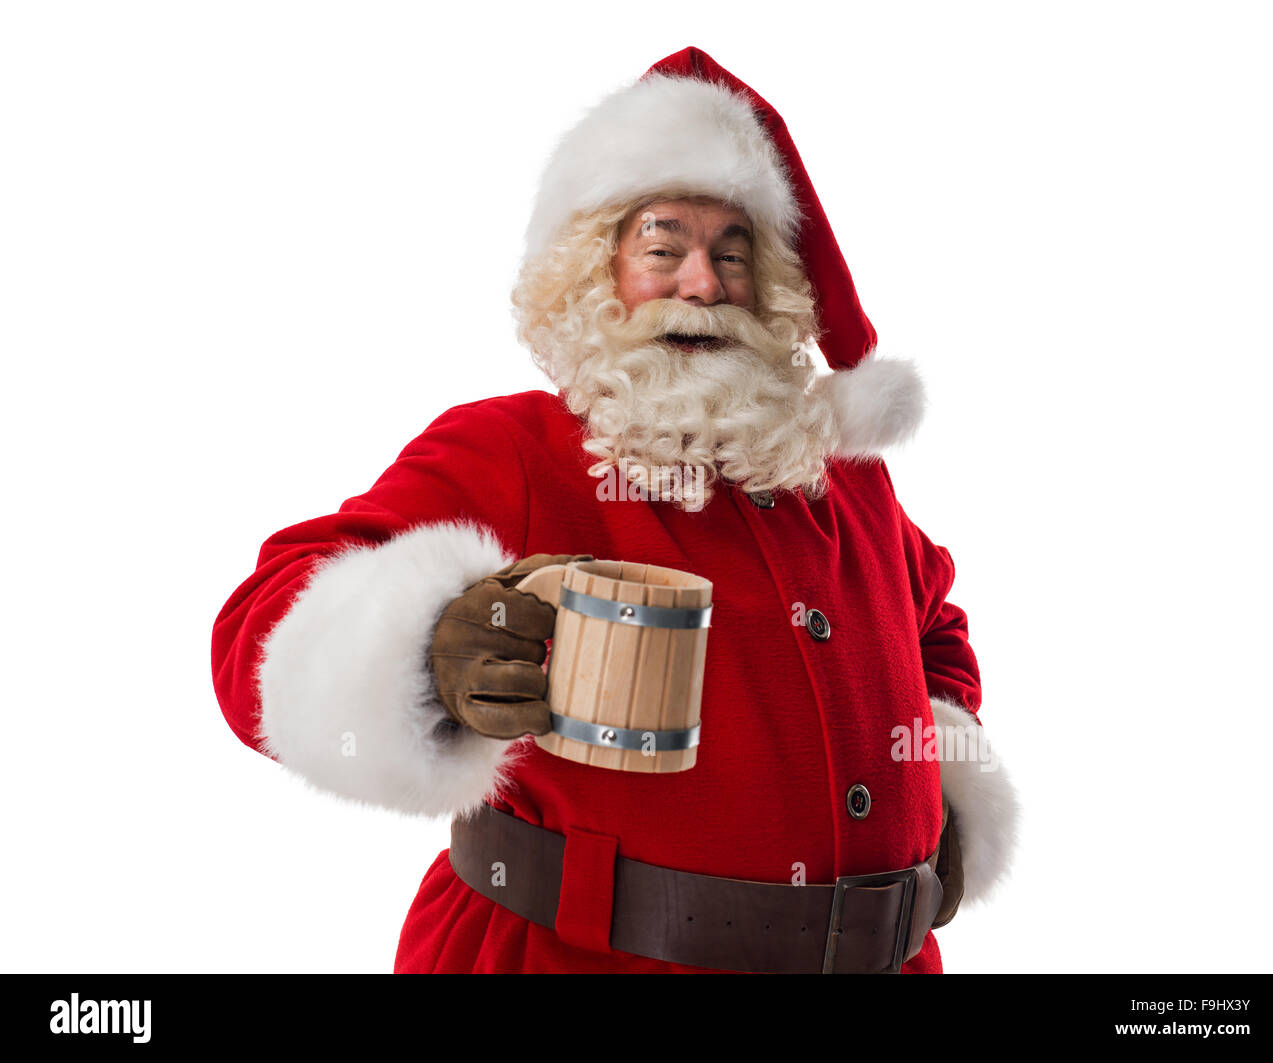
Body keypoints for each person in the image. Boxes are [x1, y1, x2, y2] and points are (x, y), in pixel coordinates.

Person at [211, 46, 1019, 974]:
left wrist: (935, 778)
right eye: (664, 248)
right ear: (598, 274)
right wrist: (428, 654)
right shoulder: (514, 451)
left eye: (732, 254)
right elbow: (262, 617)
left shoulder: (841, 475)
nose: (703, 285)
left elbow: (932, 623)